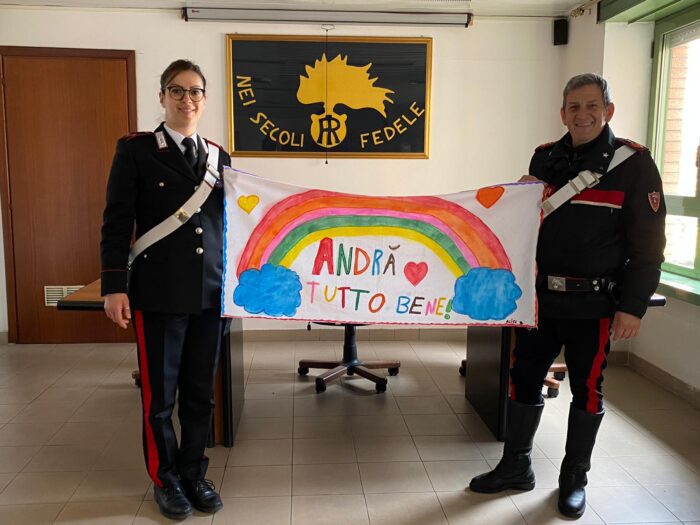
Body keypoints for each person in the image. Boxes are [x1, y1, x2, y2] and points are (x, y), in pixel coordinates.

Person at [469, 73, 666, 519]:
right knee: (522, 379)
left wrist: (632, 307)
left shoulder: (634, 165)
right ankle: (515, 466)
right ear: (563, 113)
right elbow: (526, 226)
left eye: (591, 106)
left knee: (588, 392)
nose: (582, 114)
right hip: (540, 301)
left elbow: (649, 247)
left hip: (594, 306)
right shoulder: (544, 159)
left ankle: (574, 479)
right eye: (574, 107)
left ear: (608, 110)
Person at [100, 59, 230, 520]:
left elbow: (227, 225)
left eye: (195, 92)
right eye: (177, 91)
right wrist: (115, 285)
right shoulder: (135, 150)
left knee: (201, 394)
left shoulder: (219, 156)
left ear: (205, 99)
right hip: (157, 293)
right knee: (160, 397)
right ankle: (165, 478)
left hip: (210, 293)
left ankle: (194, 472)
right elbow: (117, 221)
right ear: (161, 97)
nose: (187, 99)